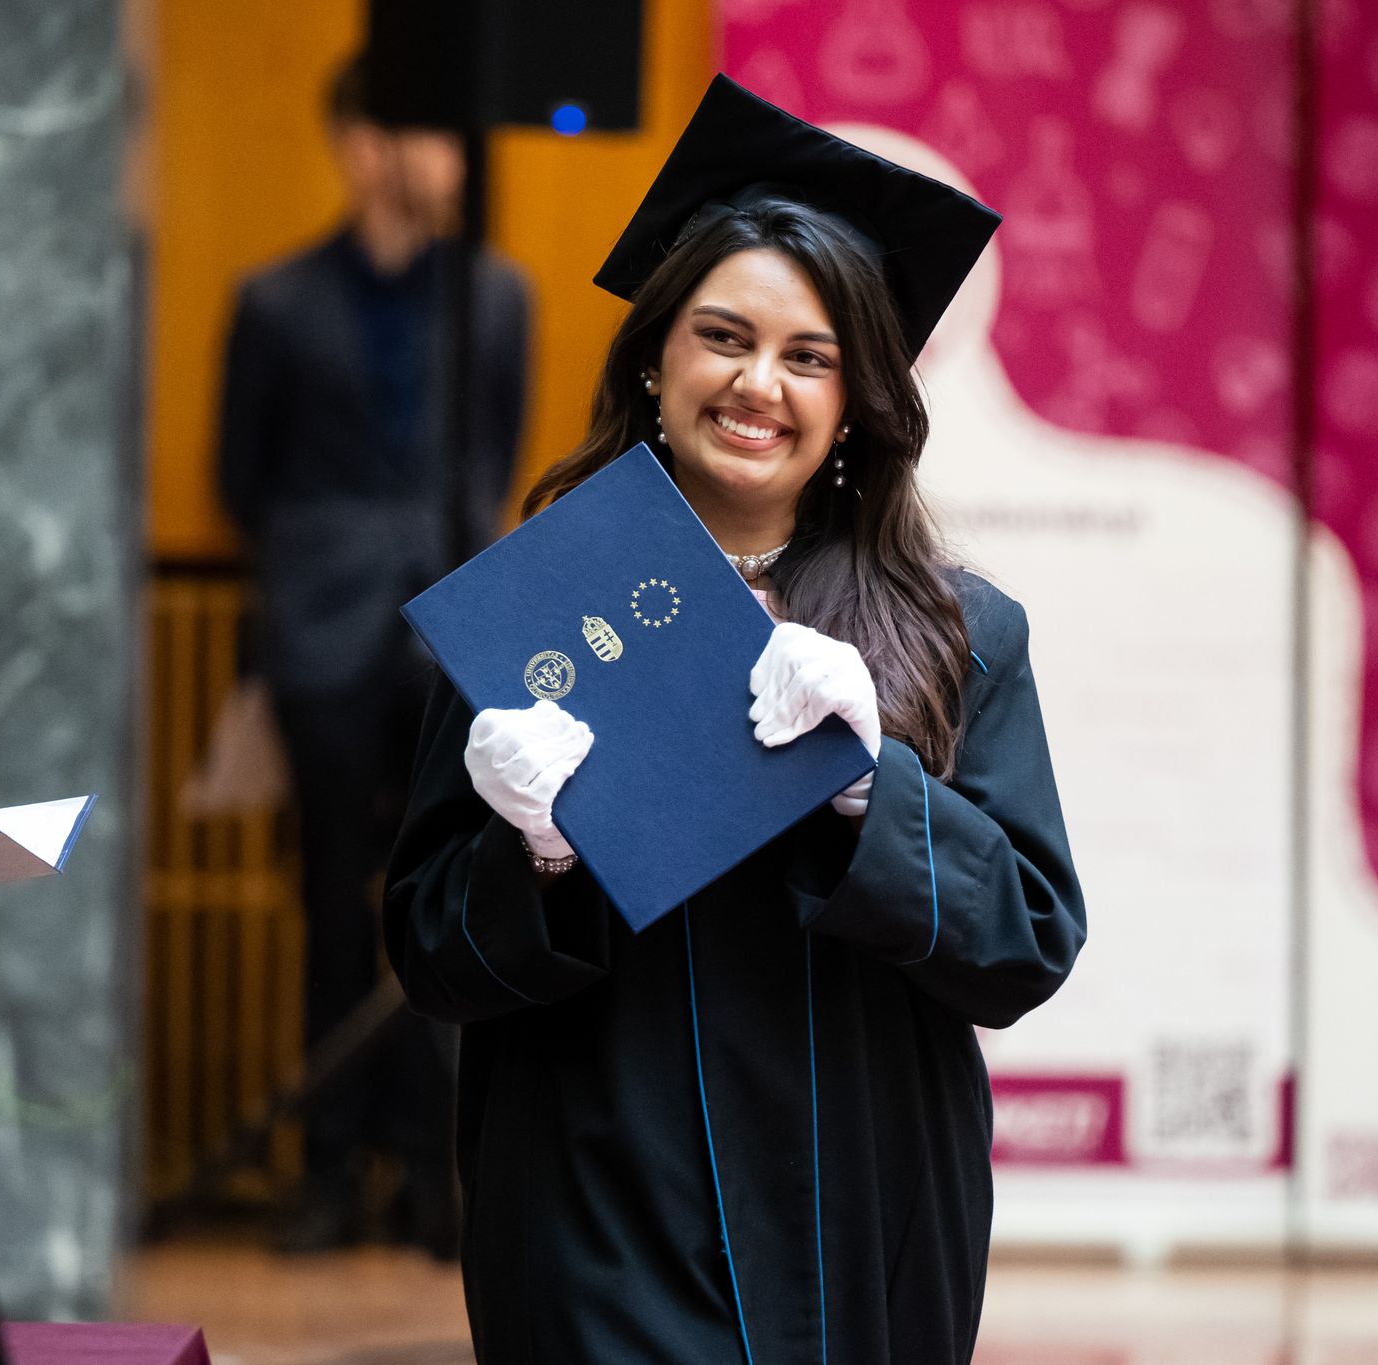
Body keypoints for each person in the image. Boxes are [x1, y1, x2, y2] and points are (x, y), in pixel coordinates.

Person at [384, 76, 1085, 1361]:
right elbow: (432, 958)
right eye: (722, 337)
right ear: (654, 357)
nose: (759, 383)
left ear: (857, 397)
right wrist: (534, 853)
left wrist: (870, 786)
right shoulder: (539, 615)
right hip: (599, 1203)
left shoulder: (958, 632)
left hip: (861, 1210)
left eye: (809, 356)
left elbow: (1023, 948)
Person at [217, 56, 530, 1256]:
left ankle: (437, 1171)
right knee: (329, 900)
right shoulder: (274, 301)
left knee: (446, 893)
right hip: (319, 632)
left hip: (452, 631)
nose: (419, 154)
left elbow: (493, 456)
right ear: (349, 141)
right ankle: (328, 1171)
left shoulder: (494, 293)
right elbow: (240, 478)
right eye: (395, 128)